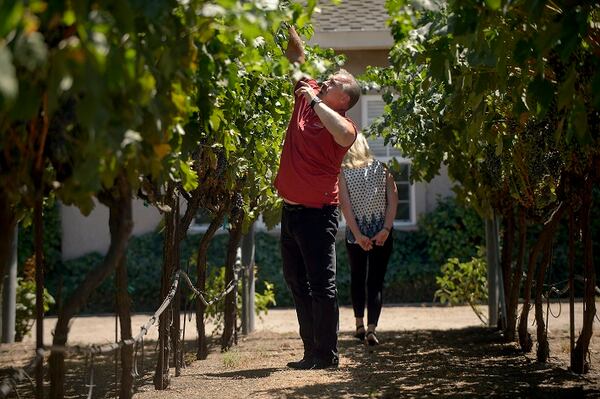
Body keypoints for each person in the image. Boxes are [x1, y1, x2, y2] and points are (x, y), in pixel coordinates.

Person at [274, 25, 360, 370]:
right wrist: (288, 35)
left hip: (317, 216)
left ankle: (327, 355)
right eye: (326, 78)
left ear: (345, 99)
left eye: (333, 83)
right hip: (290, 212)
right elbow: (297, 61)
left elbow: (339, 133)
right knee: (296, 282)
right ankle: (310, 350)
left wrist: (312, 97)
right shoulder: (310, 93)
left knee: (321, 286)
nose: (325, 81)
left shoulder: (345, 126)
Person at [338, 133, 398, 346]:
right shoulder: (382, 169)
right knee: (375, 281)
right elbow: (393, 201)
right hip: (382, 234)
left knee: (357, 278)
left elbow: (346, 207)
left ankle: (359, 325)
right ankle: (372, 328)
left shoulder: (343, 174)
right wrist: (385, 229)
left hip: (356, 237)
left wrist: (358, 234)